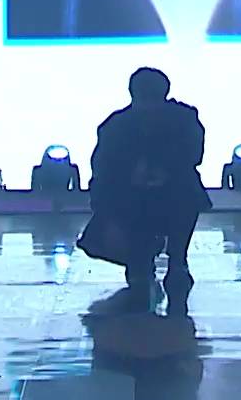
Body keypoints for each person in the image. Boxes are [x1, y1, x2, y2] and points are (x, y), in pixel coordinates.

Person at [89, 67, 211, 309]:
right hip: (130, 197)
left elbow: (193, 156)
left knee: (185, 196)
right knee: (131, 241)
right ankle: (141, 259)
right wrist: (107, 213)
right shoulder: (115, 127)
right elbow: (102, 171)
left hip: (173, 191)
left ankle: (177, 259)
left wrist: (164, 170)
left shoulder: (184, 120)